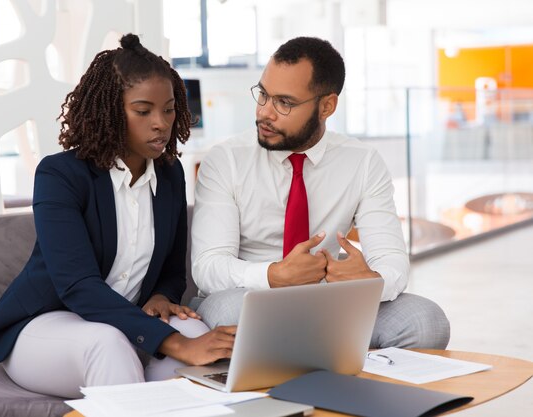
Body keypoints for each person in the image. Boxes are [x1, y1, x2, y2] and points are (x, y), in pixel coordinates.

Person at [0, 34, 236, 399]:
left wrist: (159, 296)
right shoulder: (60, 175)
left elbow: (173, 271)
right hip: (47, 325)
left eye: (169, 109)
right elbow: (77, 286)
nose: (161, 123)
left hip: (129, 321)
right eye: (143, 111)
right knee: (109, 344)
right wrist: (173, 342)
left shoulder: (170, 174)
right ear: (110, 111)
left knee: (198, 336)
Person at [191, 36, 450, 349]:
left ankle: (338, 377)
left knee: (426, 321)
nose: (265, 113)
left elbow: (393, 261)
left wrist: (369, 281)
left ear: (327, 105)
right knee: (232, 314)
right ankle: (322, 356)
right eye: (263, 95)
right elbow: (208, 267)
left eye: (284, 103)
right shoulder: (226, 160)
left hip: (328, 298)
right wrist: (274, 275)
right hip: (250, 295)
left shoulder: (362, 162)